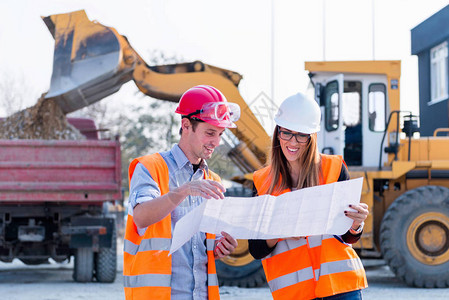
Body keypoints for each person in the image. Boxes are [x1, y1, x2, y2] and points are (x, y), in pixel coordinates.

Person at [123, 85, 240, 300]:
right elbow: (140, 217)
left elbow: (198, 247)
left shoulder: (212, 181)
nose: (216, 142)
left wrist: (220, 248)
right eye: (210, 133)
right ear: (186, 125)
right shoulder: (150, 168)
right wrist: (183, 191)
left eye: (221, 134)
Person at [248, 93, 369, 300]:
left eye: (301, 135)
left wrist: (357, 224)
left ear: (311, 137)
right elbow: (256, 249)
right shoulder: (262, 182)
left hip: (341, 288)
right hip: (295, 293)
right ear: (278, 133)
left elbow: (348, 237)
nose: (292, 141)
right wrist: (282, 231)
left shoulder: (335, 169)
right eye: (286, 133)